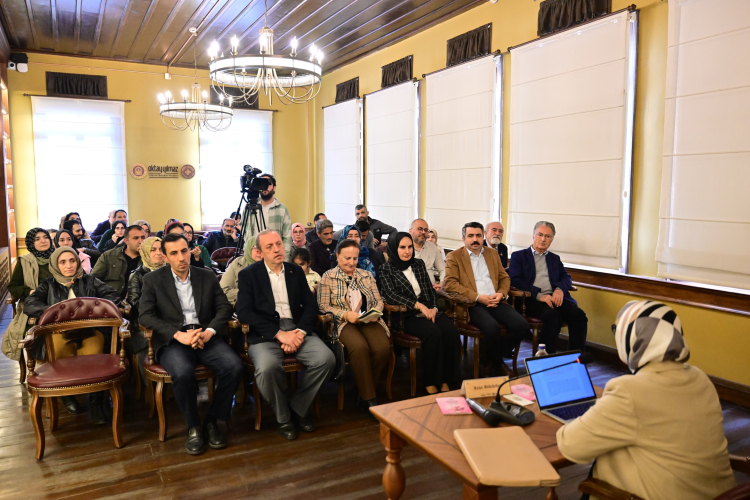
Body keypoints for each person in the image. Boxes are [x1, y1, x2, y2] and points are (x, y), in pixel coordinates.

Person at [557, 301, 736, 500]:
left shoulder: (630, 390)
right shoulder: (700, 378)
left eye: (617, 330)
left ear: (630, 338)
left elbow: (570, 445)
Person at [139, 233, 242, 455]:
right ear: (165, 256)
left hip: (204, 335)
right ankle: (193, 425)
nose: (181, 257)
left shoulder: (206, 275)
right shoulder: (153, 280)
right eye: (174, 253)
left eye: (184, 251)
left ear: (190, 250)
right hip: (174, 340)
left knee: (234, 366)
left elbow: (224, 307)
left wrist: (209, 331)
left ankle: (212, 421)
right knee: (183, 372)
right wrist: (178, 335)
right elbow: (145, 316)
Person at [235, 230, 335, 441]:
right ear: (259, 252)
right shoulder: (248, 274)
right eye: (269, 247)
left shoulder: (294, 271)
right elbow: (244, 312)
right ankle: (284, 417)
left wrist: (299, 332)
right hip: (266, 333)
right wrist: (279, 334)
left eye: (278, 244)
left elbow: (310, 305)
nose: (276, 249)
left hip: (297, 328)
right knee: (267, 368)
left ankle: (298, 408)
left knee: (326, 359)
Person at [24, 247, 121, 423]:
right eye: (63, 262)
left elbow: (113, 296)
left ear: (77, 262)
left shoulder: (90, 280)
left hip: (90, 330)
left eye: (72, 261)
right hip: (58, 332)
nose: (68, 266)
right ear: (55, 265)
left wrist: (92, 309)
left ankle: (96, 401)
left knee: (95, 357)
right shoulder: (48, 284)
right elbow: (30, 304)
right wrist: (56, 312)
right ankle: (66, 395)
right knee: (59, 353)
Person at [444, 222, 529, 376]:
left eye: (478, 235)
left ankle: (490, 359)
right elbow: (450, 284)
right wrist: (477, 297)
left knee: (522, 326)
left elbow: (504, 278)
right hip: (472, 304)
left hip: (496, 300)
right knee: (492, 328)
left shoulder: (492, 254)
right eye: (470, 236)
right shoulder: (454, 256)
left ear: (483, 236)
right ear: (463, 239)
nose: (475, 239)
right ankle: (498, 363)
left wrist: (501, 293)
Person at [380, 233, 460, 394]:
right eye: (402, 247)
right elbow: (391, 295)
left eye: (410, 247)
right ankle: (430, 380)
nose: (407, 251)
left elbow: (429, 290)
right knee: (433, 332)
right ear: (394, 249)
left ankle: (446, 378)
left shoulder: (418, 264)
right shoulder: (386, 269)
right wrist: (418, 306)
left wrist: (434, 308)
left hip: (429, 310)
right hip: (405, 315)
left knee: (450, 330)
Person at [318, 239, 390, 415]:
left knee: (382, 347)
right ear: (337, 256)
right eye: (347, 258)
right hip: (343, 322)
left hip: (367, 319)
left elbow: (379, 300)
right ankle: (369, 399)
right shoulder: (328, 276)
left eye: (355, 258)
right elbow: (323, 306)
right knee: (359, 347)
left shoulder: (366, 275)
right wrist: (345, 314)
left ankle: (363, 389)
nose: (351, 262)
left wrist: (375, 312)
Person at [508, 221, 587, 353]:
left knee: (579, 316)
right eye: (540, 235)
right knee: (552, 317)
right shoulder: (519, 256)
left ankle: (575, 358)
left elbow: (566, 277)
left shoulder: (554, 258)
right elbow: (515, 280)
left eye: (547, 236)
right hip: (530, 299)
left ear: (552, 239)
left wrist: (559, 290)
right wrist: (540, 296)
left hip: (554, 298)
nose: (543, 239)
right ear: (533, 236)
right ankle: (546, 358)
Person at [2, 229, 54, 366]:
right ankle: (42, 365)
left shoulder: (58, 257)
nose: (43, 241)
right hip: (34, 306)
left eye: (45, 237)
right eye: (37, 239)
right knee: (38, 329)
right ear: (31, 243)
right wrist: (29, 291)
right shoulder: (25, 261)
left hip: (57, 303)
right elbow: (13, 286)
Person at [127, 237, 165, 382]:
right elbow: (136, 303)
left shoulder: (171, 271)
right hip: (143, 325)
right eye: (153, 250)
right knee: (149, 346)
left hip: (170, 321)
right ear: (145, 252)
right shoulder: (136, 275)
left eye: (161, 249)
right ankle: (151, 389)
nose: (158, 253)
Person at [91, 225, 146, 300]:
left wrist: (146, 256)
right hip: (112, 300)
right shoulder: (109, 256)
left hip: (139, 301)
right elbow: (93, 280)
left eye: (143, 237)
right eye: (136, 238)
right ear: (126, 241)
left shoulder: (148, 258)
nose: (141, 241)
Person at [245, 174, 293, 257]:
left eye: (268, 183)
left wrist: (284, 259)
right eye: (261, 183)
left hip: (273, 255)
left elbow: (287, 237)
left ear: (274, 188)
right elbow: (243, 228)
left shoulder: (282, 209)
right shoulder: (249, 207)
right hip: (253, 255)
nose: (265, 187)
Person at [220, 235, 260, 305]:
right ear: (248, 248)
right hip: (239, 305)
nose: (259, 252)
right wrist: (249, 294)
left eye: (263, 248)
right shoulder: (237, 263)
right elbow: (223, 290)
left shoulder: (273, 265)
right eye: (256, 248)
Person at [409, 219, 445, 289]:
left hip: (431, 288)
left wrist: (442, 283)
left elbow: (442, 269)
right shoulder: (404, 247)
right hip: (410, 289)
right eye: (420, 229)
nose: (423, 232)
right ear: (410, 231)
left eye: (426, 230)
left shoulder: (432, 247)